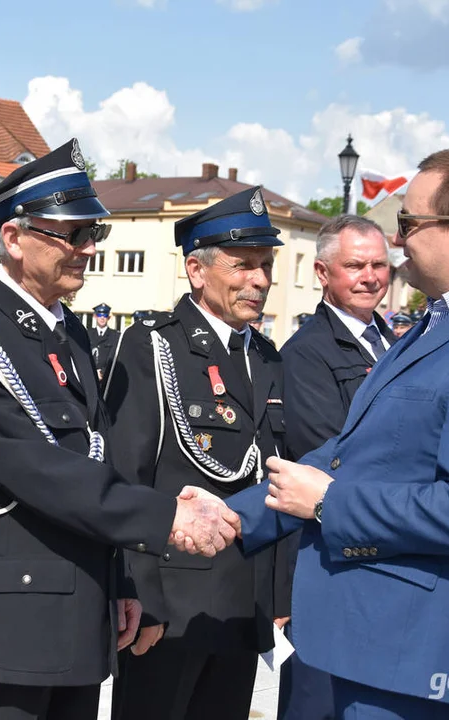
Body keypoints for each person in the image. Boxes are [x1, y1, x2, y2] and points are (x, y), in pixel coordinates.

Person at [220, 146, 449, 719]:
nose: (397, 241)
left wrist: (330, 505)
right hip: (364, 642)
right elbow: (355, 451)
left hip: (413, 662)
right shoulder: (447, 322)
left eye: (409, 223)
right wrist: (237, 515)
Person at [0, 138, 239, 720]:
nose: (86, 249)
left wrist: (119, 578)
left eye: (92, 235)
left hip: (78, 615)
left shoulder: (69, 334)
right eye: (68, 235)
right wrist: (164, 516)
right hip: (7, 628)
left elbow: (98, 456)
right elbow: (40, 468)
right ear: (12, 239)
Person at [105, 187, 287, 720]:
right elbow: (127, 479)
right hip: (171, 607)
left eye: (266, 265)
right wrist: (141, 594)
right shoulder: (149, 347)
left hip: (240, 607)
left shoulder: (268, 358)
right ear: (196, 270)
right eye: (242, 265)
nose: (258, 280)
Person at [273, 214, 393, 720]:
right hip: (335, 555)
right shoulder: (308, 354)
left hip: (383, 549)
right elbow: (329, 456)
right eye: (355, 266)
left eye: (380, 265)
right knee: (319, 701)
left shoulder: (395, 343)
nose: (370, 277)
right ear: (322, 273)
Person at [89, 302, 119, 384]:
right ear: (95, 316)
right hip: (90, 375)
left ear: (108, 317)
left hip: (107, 378)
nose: (102, 318)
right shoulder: (88, 334)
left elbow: (114, 357)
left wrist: (102, 372)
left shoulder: (115, 336)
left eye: (105, 315)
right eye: (99, 315)